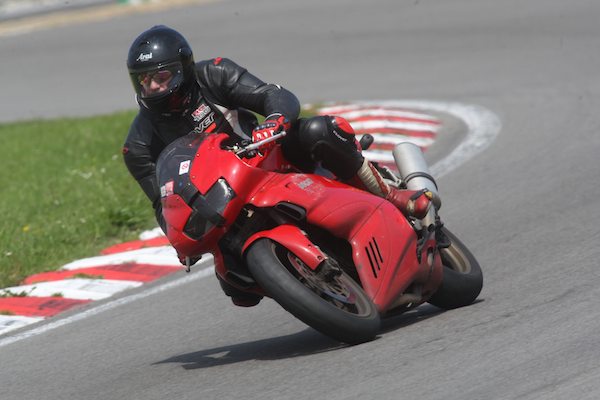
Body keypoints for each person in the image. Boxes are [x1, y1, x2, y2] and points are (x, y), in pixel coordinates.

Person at [123, 25, 436, 306]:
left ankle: (390, 195)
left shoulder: (214, 74)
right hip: (224, 200)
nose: (153, 88)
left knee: (320, 131)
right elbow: (162, 202)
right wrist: (178, 237)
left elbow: (271, 95)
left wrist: (274, 121)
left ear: (184, 68)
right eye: (144, 81)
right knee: (237, 285)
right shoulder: (138, 143)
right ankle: (313, 288)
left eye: (161, 78)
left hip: (271, 158)